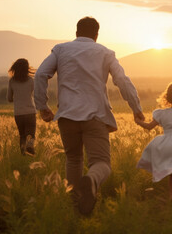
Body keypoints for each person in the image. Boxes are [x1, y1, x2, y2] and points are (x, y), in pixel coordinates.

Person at [34, 16, 144, 216]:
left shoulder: (60, 50)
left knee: (73, 159)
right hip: (96, 115)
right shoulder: (105, 53)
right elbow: (122, 80)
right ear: (96, 35)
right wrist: (136, 108)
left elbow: (41, 74)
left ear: (76, 33)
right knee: (101, 163)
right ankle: (92, 180)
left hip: (66, 115)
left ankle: (77, 208)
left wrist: (42, 106)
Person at [7, 58, 37, 156]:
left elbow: (9, 98)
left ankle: (23, 155)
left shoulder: (12, 81)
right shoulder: (31, 80)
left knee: (22, 135)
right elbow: (35, 94)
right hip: (30, 112)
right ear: (27, 68)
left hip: (18, 113)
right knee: (31, 134)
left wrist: (17, 97)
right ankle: (30, 146)